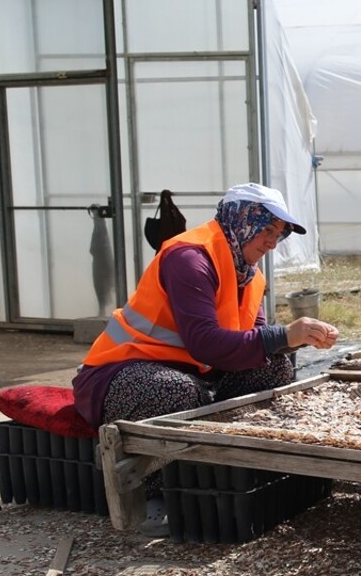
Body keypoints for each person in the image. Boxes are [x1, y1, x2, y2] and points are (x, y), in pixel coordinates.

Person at [74, 183, 339, 533]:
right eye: (268, 230)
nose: (274, 242)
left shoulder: (250, 274)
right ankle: (155, 494)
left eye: (280, 234)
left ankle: (230, 471)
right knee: (177, 394)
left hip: (196, 373)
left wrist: (293, 342)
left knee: (274, 367)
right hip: (120, 372)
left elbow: (251, 341)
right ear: (242, 221)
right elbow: (204, 343)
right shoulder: (190, 257)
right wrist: (285, 335)